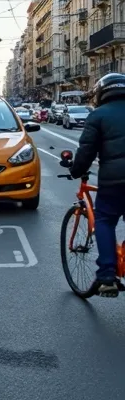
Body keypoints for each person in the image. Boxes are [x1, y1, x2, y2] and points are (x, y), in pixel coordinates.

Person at [68, 73, 125, 297]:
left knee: (105, 220)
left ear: (102, 94)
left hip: (115, 180)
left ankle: (107, 276)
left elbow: (86, 151)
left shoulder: (98, 115)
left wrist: (76, 170)